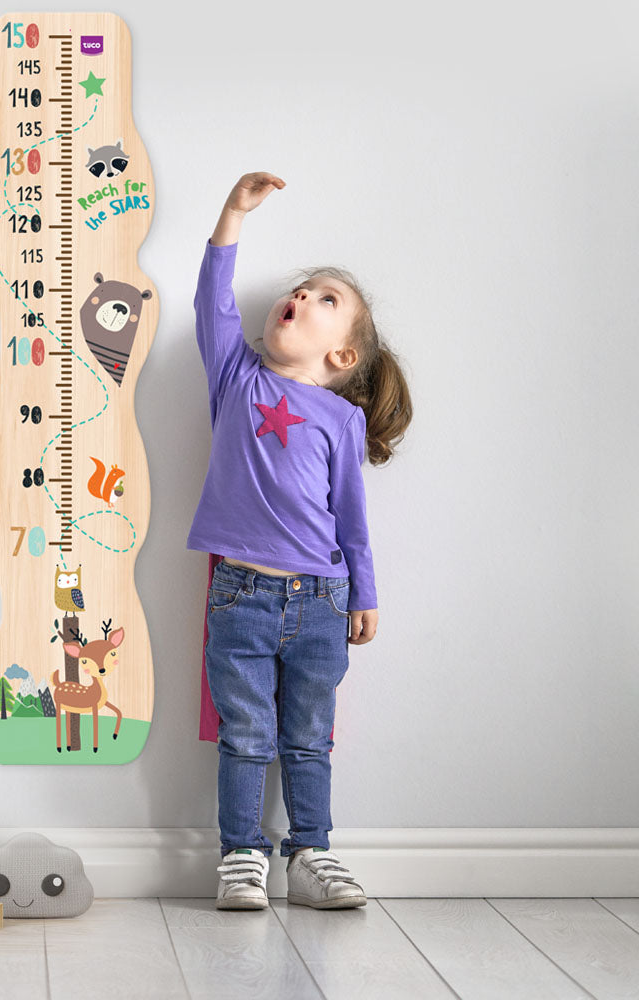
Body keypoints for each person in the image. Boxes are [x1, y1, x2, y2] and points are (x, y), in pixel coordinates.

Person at [187, 171, 413, 910]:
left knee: (309, 739)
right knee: (246, 736)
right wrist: (233, 214)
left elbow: (351, 519)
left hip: (322, 600)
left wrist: (365, 594)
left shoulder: (342, 420)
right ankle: (240, 856)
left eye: (326, 299)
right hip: (240, 596)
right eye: (302, 290)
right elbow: (213, 303)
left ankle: (311, 853)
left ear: (342, 357)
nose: (304, 296)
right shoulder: (237, 377)